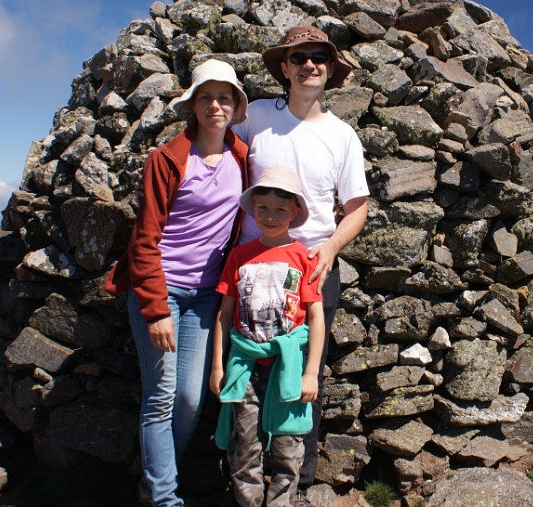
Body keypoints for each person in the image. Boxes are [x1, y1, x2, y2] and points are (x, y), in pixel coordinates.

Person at [233, 25, 369, 503]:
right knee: (245, 376)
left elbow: (357, 208)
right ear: (284, 68)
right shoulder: (254, 118)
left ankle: (297, 486)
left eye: (319, 57)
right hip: (250, 269)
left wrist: (329, 249)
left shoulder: (341, 135)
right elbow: (219, 154)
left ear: (329, 70)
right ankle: (246, 484)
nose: (310, 64)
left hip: (312, 268)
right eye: (300, 57)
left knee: (304, 376)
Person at [105, 59, 250, 506]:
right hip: (161, 290)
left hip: (206, 297)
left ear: (235, 106)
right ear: (193, 104)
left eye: (224, 97)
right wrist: (154, 309)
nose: (215, 106)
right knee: (161, 398)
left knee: (190, 401)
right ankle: (167, 499)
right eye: (206, 97)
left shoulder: (243, 158)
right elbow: (144, 241)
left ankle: (152, 486)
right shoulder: (167, 159)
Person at [210, 166, 324, 507]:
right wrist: (217, 366)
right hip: (243, 367)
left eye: (280, 209)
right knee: (245, 445)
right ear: (253, 209)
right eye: (263, 208)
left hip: (287, 367)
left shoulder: (304, 258)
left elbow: (316, 317)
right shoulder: (239, 257)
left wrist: (311, 372)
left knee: (288, 447)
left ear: (294, 213)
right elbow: (224, 314)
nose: (270, 216)